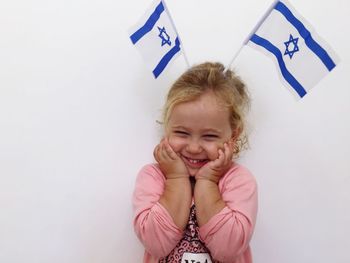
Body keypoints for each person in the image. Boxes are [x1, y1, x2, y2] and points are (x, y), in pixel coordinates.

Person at [133, 62, 258, 263]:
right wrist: (175, 177)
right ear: (167, 129)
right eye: (182, 133)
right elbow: (155, 243)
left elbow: (229, 249)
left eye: (209, 136)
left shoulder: (239, 181)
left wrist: (208, 182)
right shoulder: (152, 177)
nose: (193, 147)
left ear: (233, 136)